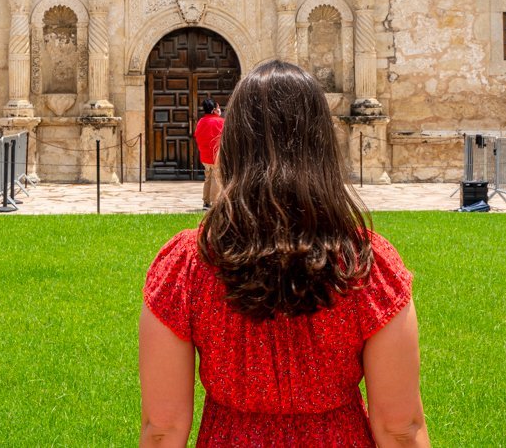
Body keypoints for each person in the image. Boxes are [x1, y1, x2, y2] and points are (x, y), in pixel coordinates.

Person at [139, 60, 429, 447]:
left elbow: (163, 428)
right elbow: (400, 427)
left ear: (233, 145)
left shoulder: (189, 265)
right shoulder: (366, 265)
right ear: (322, 144)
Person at [193, 98, 224, 209]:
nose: (219, 110)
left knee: (208, 178)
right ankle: (214, 203)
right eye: (218, 108)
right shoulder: (220, 121)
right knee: (216, 178)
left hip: (205, 155)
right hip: (216, 155)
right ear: (213, 110)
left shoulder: (201, 121)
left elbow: (197, 136)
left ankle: (206, 202)